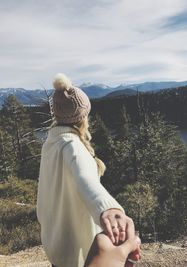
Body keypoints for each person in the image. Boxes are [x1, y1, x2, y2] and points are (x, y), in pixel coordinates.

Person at [36, 73, 137, 267]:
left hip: (56, 245)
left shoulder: (52, 142)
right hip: (77, 252)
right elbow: (87, 182)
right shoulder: (73, 147)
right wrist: (109, 208)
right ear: (83, 116)